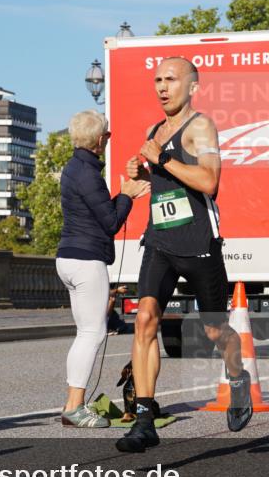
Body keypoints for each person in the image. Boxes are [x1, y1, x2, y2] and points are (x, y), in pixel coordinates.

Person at [121, 56, 249, 453]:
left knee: (215, 330)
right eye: (157, 79)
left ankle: (238, 378)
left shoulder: (200, 126)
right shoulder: (154, 130)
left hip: (198, 243)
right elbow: (165, 182)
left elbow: (209, 182)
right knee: (145, 319)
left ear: (192, 86)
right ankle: (145, 419)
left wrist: (162, 158)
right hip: (160, 240)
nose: (162, 87)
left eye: (171, 79)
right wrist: (143, 175)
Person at [56, 110, 149, 428]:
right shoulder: (88, 173)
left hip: (68, 257)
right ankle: (75, 408)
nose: (108, 138)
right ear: (101, 139)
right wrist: (127, 195)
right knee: (92, 334)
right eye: (107, 134)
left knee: (84, 333)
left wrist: (121, 195)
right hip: (86, 261)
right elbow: (110, 222)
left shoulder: (73, 168)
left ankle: (71, 404)